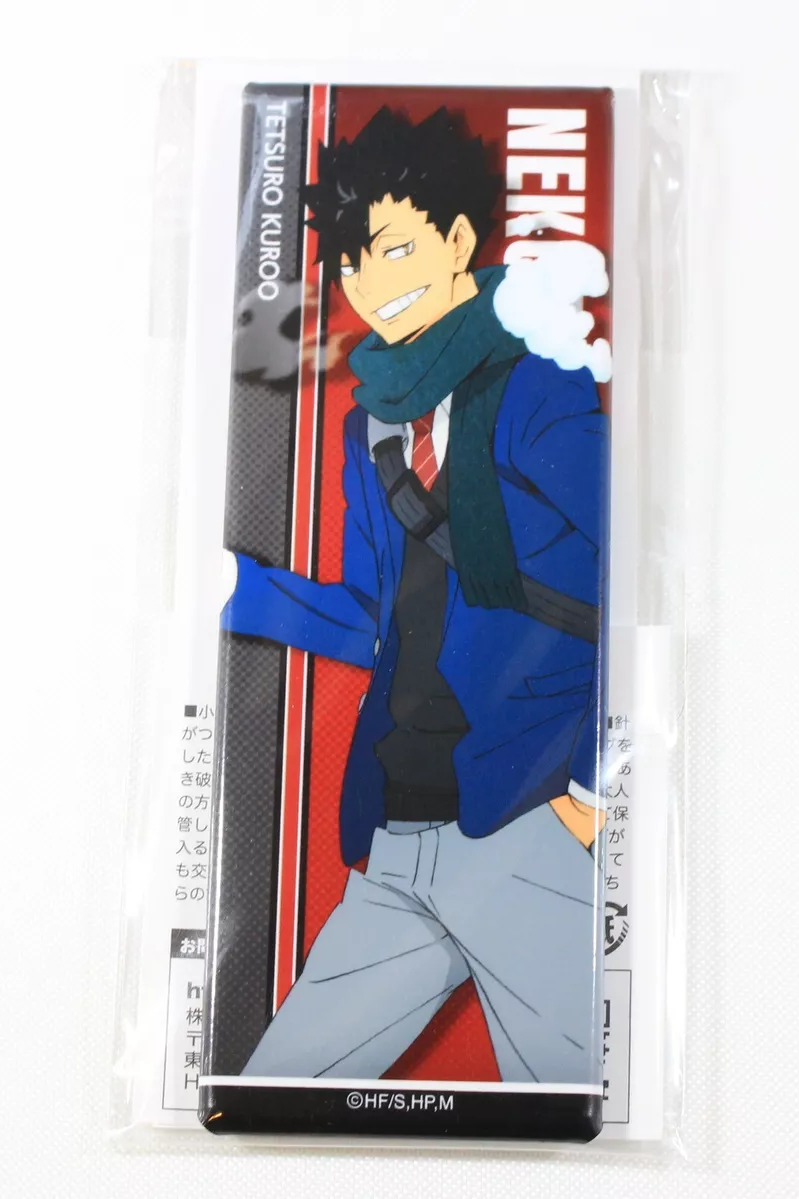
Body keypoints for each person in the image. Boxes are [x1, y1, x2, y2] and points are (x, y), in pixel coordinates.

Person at [222, 106, 608, 1084]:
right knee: (274, 1093)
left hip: (523, 819)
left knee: (572, 1105)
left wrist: (596, 789)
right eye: (354, 262)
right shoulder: (374, 428)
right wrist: (231, 591)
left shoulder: (538, 384)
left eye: (396, 248)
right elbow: (372, 617)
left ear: (461, 239)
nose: (372, 283)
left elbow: (633, 581)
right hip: (401, 824)